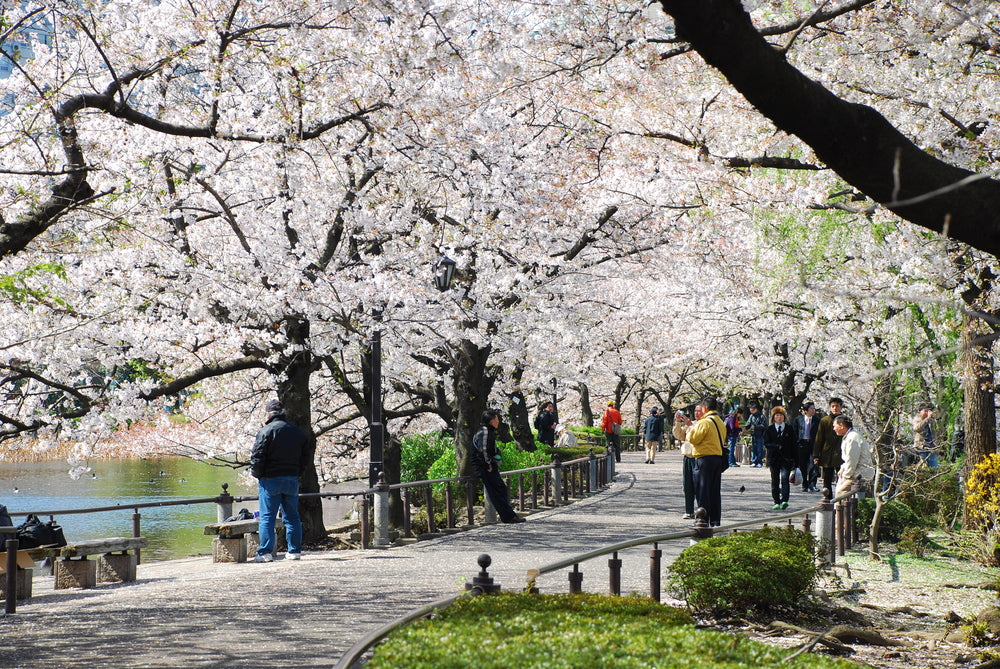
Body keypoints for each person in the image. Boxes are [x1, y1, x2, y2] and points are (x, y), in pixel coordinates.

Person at [250, 399, 310, 562]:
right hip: (291, 478)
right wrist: (297, 472)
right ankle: (294, 551)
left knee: (267, 517)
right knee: (292, 516)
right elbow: (306, 457)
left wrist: (258, 474)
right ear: (283, 413)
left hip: (270, 480)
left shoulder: (266, 431)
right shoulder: (297, 432)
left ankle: (265, 553)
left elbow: (257, 457)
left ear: (268, 414)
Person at [676, 396, 725, 527]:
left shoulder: (705, 422)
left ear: (706, 408)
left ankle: (702, 519)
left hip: (704, 458)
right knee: (714, 491)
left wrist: (691, 429)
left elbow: (693, 438)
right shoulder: (719, 421)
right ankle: (715, 519)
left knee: (703, 491)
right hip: (717, 458)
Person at [471, 409, 525, 523]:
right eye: (496, 419)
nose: (498, 421)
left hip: (488, 466)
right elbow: (483, 451)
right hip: (485, 468)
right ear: (491, 421)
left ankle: (508, 516)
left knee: (501, 489)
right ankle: (509, 517)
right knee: (497, 492)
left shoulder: (487, 431)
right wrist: (488, 465)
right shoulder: (484, 432)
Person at [764, 406, 797, 510]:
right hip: (773, 458)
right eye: (777, 415)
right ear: (774, 417)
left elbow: (794, 444)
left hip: (786, 459)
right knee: (774, 480)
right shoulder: (769, 429)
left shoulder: (789, 428)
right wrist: (776, 446)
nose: (779, 418)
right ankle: (776, 501)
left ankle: (785, 500)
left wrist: (795, 460)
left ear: (784, 417)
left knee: (785, 479)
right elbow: (766, 443)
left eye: (781, 416)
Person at [834, 415, 874, 496]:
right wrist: (843, 468)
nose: (833, 429)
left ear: (841, 425)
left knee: (840, 492)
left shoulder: (852, 438)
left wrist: (846, 477)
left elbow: (852, 460)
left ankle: (840, 509)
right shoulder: (851, 436)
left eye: (834, 426)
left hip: (860, 474)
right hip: (857, 472)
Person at [813, 397, 845, 494]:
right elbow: (819, 439)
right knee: (827, 479)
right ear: (830, 407)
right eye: (833, 406)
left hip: (841, 453)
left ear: (841, 407)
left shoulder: (845, 420)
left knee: (842, 478)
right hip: (827, 453)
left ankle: (840, 499)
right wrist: (816, 455)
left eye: (837, 406)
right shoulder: (824, 421)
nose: (835, 408)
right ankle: (828, 498)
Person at [673, 409, 699, 520]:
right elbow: (679, 435)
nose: (697, 413)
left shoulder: (705, 424)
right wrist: (678, 422)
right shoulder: (689, 424)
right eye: (696, 411)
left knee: (700, 486)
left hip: (699, 457)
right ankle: (689, 510)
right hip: (688, 457)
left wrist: (691, 425)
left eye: (699, 411)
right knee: (687, 485)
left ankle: (702, 511)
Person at [792, 401, 820, 492]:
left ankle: (812, 483)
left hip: (813, 444)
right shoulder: (798, 419)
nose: (813, 410)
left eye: (814, 408)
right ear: (805, 410)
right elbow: (795, 432)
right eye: (811, 408)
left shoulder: (817, 420)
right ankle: (805, 483)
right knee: (803, 465)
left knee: (813, 464)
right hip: (801, 444)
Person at [744, 403, 767, 467]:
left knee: (759, 449)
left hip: (760, 435)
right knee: (753, 449)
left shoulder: (762, 416)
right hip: (753, 435)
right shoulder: (751, 416)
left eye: (752, 409)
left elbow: (764, 426)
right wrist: (745, 428)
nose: (750, 411)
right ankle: (754, 461)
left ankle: (759, 462)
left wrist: (756, 427)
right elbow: (748, 424)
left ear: (756, 409)